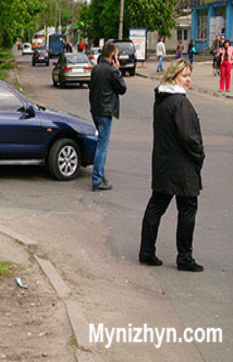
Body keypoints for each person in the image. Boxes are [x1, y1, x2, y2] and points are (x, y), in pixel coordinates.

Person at [139, 59, 205, 272]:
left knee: (156, 206)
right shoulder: (180, 103)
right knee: (187, 210)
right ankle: (184, 258)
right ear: (174, 76)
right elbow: (189, 137)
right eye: (185, 75)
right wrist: (199, 156)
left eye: (189, 76)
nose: (188, 80)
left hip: (163, 164)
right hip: (183, 168)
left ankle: (147, 251)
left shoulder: (162, 100)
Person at [88, 42, 127, 191]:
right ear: (112, 56)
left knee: (100, 142)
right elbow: (122, 88)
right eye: (116, 56)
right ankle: (97, 179)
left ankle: (100, 173)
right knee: (102, 146)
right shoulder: (112, 71)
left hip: (96, 110)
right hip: (105, 111)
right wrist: (117, 70)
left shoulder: (96, 69)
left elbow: (91, 89)